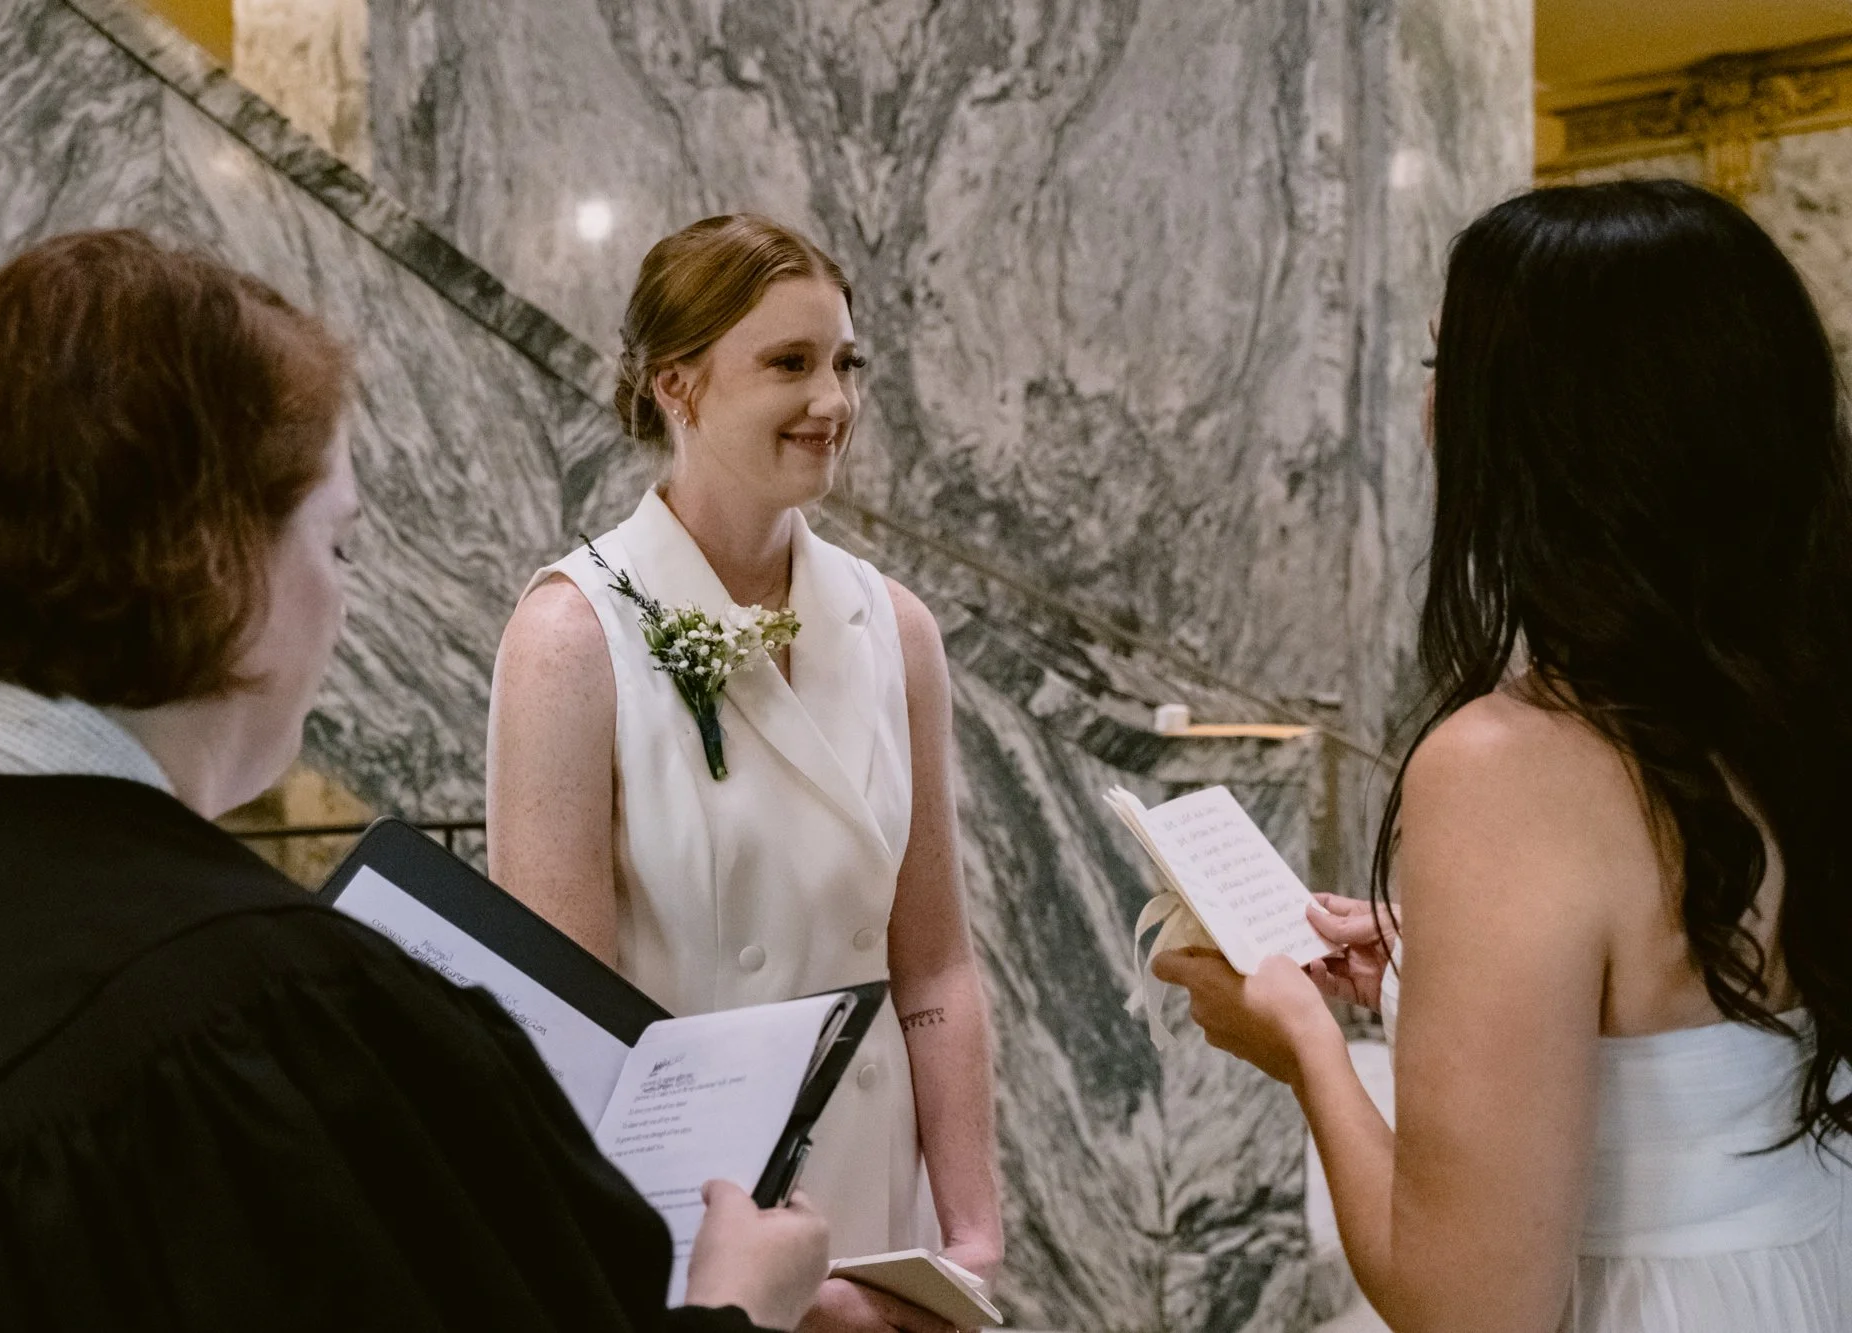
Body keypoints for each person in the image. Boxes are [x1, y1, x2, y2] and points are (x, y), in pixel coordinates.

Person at [0, 229, 827, 1331]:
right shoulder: (265, 1032)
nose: (344, 604)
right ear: (220, 561)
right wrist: (738, 1302)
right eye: (337, 544)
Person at [1157, 180, 1852, 1332]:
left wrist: (1303, 1047)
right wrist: (1438, 984)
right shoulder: (1796, 697)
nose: (1430, 412)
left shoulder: (1507, 763)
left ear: (1545, 426)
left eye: (1444, 371)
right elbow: (1687, 1018)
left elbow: (1473, 1305)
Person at [487, 214, 1003, 1332]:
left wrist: (968, 1234)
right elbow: (567, 1032)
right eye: (789, 363)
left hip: (875, 1219)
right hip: (682, 1235)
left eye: (843, 364)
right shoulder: (573, 636)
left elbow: (934, 969)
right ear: (677, 385)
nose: (834, 402)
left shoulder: (893, 628)